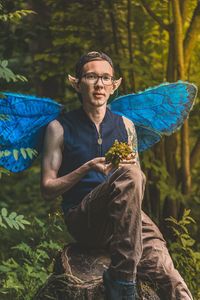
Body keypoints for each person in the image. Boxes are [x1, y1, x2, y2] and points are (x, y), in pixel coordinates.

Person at [41, 51, 193, 300]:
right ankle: (122, 281)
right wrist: (87, 167)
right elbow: (47, 188)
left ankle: (131, 274)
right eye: (91, 76)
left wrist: (128, 171)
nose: (99, 84)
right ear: (77, 84)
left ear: (114, 85)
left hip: (125, 219)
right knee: (132, 175)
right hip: (84, 217)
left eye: (105, 78)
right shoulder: (58, 128)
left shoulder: (126, 126)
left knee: (171, 279)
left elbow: (136, 182)